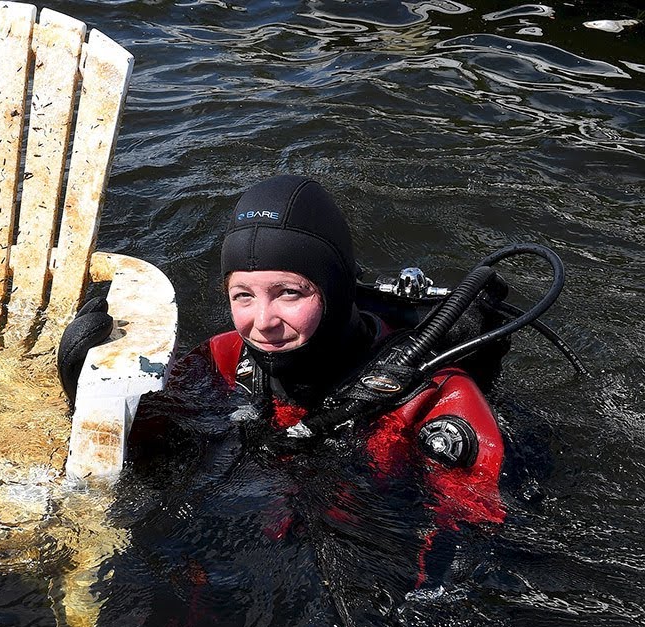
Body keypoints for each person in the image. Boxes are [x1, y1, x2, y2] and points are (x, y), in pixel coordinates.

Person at [202, 175, 507, 587]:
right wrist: (85, 382)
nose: (262, 322)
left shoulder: (432, 395)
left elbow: (468, 542)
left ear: (336, 290)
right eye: (243, 295)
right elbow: (128, 446)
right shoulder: (223, 356)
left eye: (290, 293)